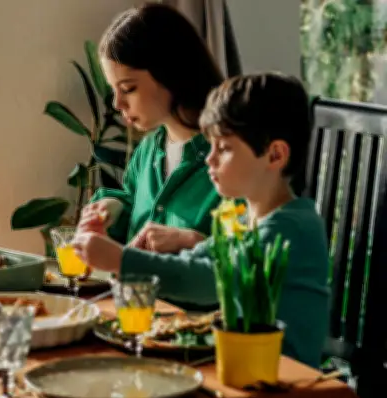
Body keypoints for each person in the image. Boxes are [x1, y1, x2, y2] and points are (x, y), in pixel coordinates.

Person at [73, 72, 331, 367]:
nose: (210, 159)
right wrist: (131, 255)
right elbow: (194, 261)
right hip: (242, 369)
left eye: (224, 148)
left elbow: (207, 280)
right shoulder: (244, 220)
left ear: (274, 155)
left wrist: (121, 260)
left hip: (285, 386)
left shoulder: (290, 230)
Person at [83, 3, 224, 254]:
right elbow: (135, 206)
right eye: (113, 90)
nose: (117, 103)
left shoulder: (232, 158)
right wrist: (115, 207)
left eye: (128, 89)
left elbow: (255, 256)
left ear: (170, 72)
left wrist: (196, 242)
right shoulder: (148, 151)